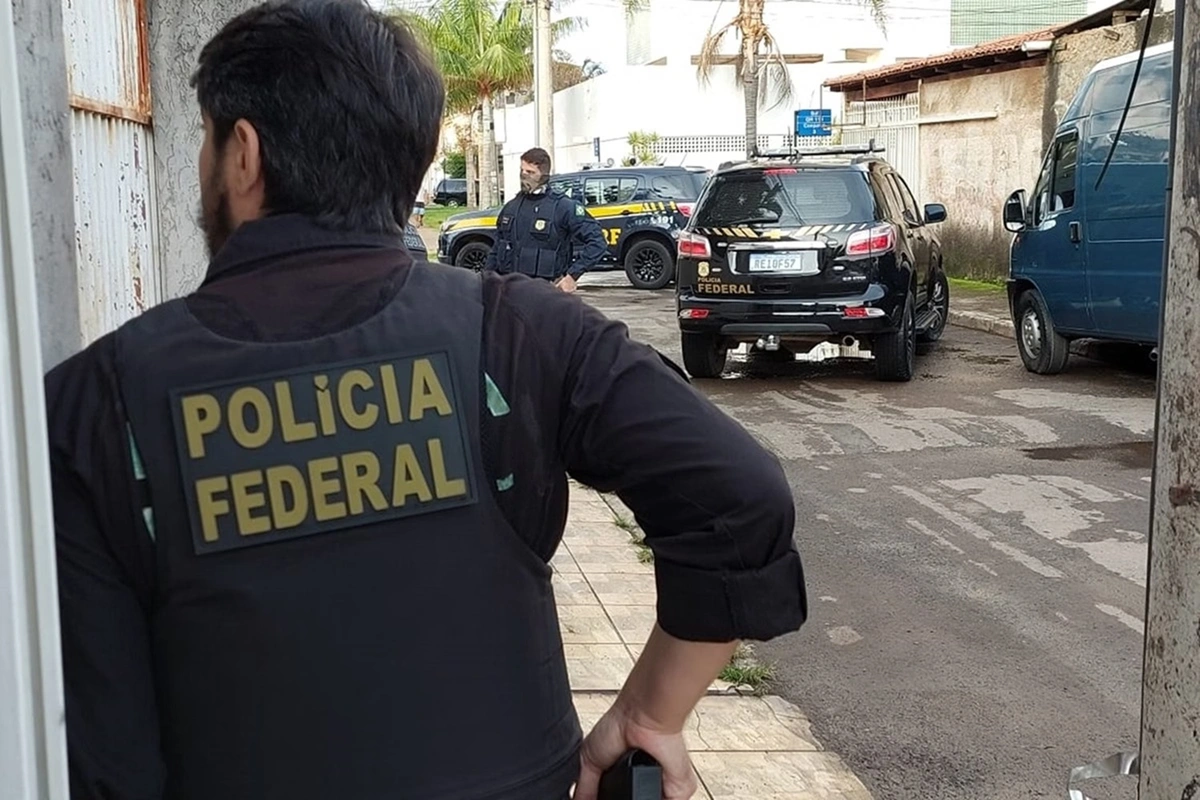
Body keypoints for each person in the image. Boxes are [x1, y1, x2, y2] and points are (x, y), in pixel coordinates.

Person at [43, 2, 806, 799]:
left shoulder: (92, 405)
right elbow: (740, 498)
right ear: (411, 158)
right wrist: (651, 714)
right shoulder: (522, 333)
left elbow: (101, 747)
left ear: (242, 153)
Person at [483, 147, 608, 293]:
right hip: (511, 292)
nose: (524, 176)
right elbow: (497, 249)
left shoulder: (563, 207)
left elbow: (597, 242)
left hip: (547, 294)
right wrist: (486, 281)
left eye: (530, 172)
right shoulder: (511, 208)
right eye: (522, 170)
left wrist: (572, 276)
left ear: (544, 174)